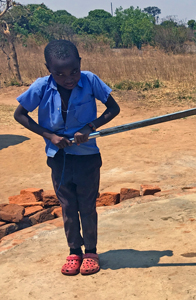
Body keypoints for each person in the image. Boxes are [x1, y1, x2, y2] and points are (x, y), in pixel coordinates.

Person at [14, 40, 120, 276]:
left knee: (87, 206)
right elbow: (20, 114)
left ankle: (91, 252)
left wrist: (90, 128)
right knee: (68, 206)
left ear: (80, 63)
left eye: (73, 71)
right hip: (59, 159)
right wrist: (48, 135)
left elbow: (113, 109)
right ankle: (74, 251)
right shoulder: (42, 86)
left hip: (87, 158)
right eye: (59, 73)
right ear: (48, 69)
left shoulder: (90, 80)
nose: (69, 78)